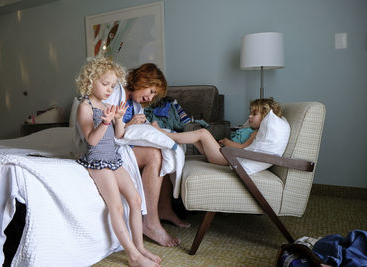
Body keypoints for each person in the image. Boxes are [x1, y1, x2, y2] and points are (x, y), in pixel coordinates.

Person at [75, 56, 161, 267]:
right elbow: (92, 140)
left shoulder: (108, 105)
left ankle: (139, 247)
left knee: (136, 200)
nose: (109, 89)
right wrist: (105, 121)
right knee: (116, 207)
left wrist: (119, 119)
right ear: (90, 80)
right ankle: (133, 256)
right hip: (97, 161)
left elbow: (120, 136)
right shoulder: (84, 107)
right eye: (105, 84)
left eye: (112, 85)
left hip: (113, 158)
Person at [104, 63, 189, 247]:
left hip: (126, 145)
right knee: (154, 156)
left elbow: (137, 131)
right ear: (143, 80)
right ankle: (150, 222)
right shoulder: (114, 91)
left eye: (153, 95)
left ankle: (164, 209)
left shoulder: (136, 104)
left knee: (164, 151)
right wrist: (129, 125)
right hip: (110, 147)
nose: (150, 97)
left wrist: (146, 127)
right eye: (151, 91)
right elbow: (102, 128)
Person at [152, 98, 283, 166]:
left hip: (226, 159)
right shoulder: (249, 129)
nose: (249, 116)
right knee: (197, 137)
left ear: (265, 117)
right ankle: (170, 136)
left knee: (202, 133)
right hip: (223, 153)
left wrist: (227, 142)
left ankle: (167, 135)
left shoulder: (255, 134)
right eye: (250, 113)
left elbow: (243, 148)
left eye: (254, 114)